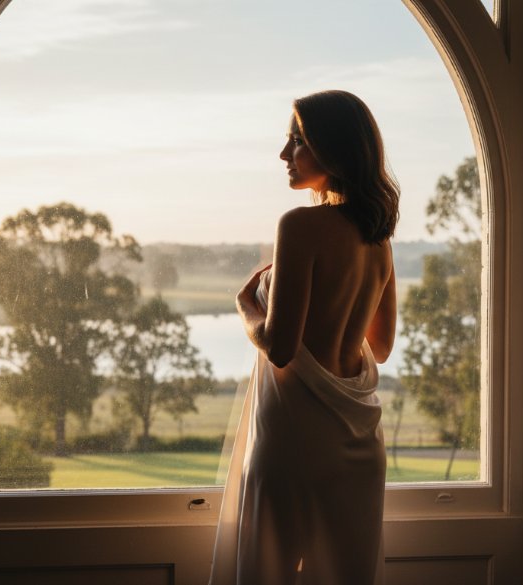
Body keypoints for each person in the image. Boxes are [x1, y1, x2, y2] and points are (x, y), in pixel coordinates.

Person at [208, 89, 399, 585]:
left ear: (334, 149)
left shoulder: (299, 225)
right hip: (357, 442)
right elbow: (379, 346)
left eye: (297, 141)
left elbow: (282, 348)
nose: (284, 154)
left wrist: (247, 307)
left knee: (268, 571)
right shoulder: (378, 239)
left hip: (294, 439)